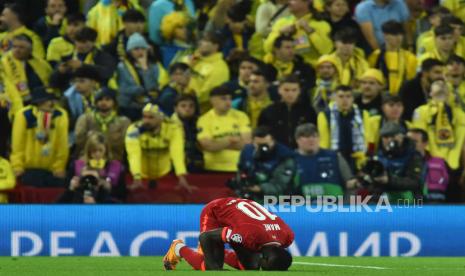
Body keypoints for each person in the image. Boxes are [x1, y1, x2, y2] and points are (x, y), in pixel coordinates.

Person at [163, 197, 294, 271]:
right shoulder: (248, 234)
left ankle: (214, 253)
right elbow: (206, 237)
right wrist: (213, 261)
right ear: (264, 257)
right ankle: (178, 248)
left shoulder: (287, 236)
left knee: (249, 267)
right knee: (212, 269)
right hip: (216, 211)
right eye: (266, 268)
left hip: (242, 219)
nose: (263, 271)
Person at [125, 103, 195, 192]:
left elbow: (177, 153)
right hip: (142, 173)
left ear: (160, 118)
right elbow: (133, 154)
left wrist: (181, 177)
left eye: (151, 117)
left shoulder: (173, 128)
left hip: (165, 172)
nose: (146, 121)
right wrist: (137, 177)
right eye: (144, 117)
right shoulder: (133, 130)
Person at [10, 87, 69, 187]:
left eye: (53, 99)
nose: (52, 103)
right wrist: (17, 166)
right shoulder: (23, 115)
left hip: (51, 171)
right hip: (27, 170)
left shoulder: (61, 115)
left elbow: (62, 145)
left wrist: (59, 167)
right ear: (38, 102)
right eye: (48, 100)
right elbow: (17, 145)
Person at [361, 122, 424, 203]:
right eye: (385, 137)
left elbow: (415, 182)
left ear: (401, 137)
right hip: (383, 199)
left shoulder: (413, 155)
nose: (389, 140)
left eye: (393, 136)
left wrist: (389, 180)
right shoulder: (378, 156)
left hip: (407, 199)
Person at [230, 126, 296, 202]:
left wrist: (258, 188)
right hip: (250, 197)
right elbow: (241, 171)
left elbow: (280, 185)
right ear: (253, 142)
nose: (263, 148)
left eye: (265, 145)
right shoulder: (247, 151)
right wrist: (240, 183)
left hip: (277, 201)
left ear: (273, 141)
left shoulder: (285, 156)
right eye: (258, 145)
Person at [411, 79, 465, 170]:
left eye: (443, 84)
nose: (441, 84)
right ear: (430, 93)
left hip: (454, 164)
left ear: (449, 93)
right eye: (437, 83)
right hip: (429, 163)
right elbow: (418, 138)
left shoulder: (458, 114)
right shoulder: (421, 111)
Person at [197, 85, 252, 172]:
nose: (228, 102)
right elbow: (208, 146)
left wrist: (219, 142)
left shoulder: (241, 116)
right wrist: (231, 140)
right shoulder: (204, 120)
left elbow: (247, 144)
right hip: (213, 168)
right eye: (223, 99)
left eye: (230, 99)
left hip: (238, 167)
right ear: (213, 100)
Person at [294, 123, 357, 197]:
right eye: (307, 137)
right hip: (301, 206)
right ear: (297, 140)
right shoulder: (290, 160)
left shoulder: (334, 157)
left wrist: (345, 205)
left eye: (314, 136)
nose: (311, 140)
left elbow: (350, 183)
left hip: (335, 205)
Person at [116, 32, 169, 121]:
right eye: (136, 49)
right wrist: (140, 90)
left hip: (151, 104)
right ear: (130, 51)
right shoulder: (122, 67)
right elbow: (123, 90)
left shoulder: (155, 66)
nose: (140, 52)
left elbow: (152, 87)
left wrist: (145, 69)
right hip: (131, 105)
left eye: (143, 48)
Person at [264, 0, 333, 66]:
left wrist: (310, 31)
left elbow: (326, 51)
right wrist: (279, 33)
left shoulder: (321, 24)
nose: (288, 1)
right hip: (281, 70)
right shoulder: (281, 23)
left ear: (307, 2)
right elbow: (267, 49)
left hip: (311, 70)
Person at [317, 85, 370, 171]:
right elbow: (324, 142)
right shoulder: (325, 116)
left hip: (358, 161)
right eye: (341, 96)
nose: (345, 100)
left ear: (353, 98)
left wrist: (367, 156)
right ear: (334, 98)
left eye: (348, 96)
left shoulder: (363, 115)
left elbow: (369, 139)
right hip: (335, 160)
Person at [49, 27, 117, 92]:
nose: (80, 45)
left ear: (93, 42)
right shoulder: (68, 58)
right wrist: (59, 72)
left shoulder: (103, 56)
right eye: (77, 41)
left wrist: (83, 66)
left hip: (97, 94)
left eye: (84, 42)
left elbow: (108, 73)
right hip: (72, 95)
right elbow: (53, 83)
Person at [258, 74, 317, 148]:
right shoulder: (268, 112)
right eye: (286, 90)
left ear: (299, 91)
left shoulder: (308, 111)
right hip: (276, 153)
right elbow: (262, 135)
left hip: (302, 153)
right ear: (279, 90)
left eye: (294, 90)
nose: (290, 94)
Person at [1, 34, 53, 117]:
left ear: (30, 49)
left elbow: (50, 82)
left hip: (39, 104)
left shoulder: (42, 64)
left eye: (21, 47)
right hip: (12, 106)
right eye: (14, 46)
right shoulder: (3, 63)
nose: (17, 50)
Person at [74, 88, 131, 161]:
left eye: (107, 99)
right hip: (88, 159)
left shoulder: (123, 122)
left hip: (114, 160)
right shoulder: (85, 119)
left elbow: (125, 145)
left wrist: (93, 137)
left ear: (114, 102)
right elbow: (79, 142)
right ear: (96, 102)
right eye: (100, 100)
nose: (103, 102)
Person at [368, 20, 417, 95]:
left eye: (400, 34)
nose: (399, 38)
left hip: (402, 96)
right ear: (385, 35)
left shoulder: (410, 57)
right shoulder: (376, 56)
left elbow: (412, 81)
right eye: (394, 35)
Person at [185, 32, 230, 113]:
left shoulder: (219, 68)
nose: (200, 43)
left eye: (205, 41)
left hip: (200, 111)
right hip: (184, 103)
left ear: (216, 46)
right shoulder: (194, 60)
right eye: (201, 40)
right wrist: (189, 66)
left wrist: (188, 96)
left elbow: (208, 95)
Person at [407, 128, 449, 203]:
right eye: (407, 141)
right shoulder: (399, 163)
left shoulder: (440, 163)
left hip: (437, 208)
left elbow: (451, 188)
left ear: (425, 143)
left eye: (414, 142)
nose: (410, 144)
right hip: (408, 207)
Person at [62, 65, 102, 136]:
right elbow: (64, 122)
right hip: (74, 134)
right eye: (75, 81)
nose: (77, 85)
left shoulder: (102, 96)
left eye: (82, 81)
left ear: (93, 82)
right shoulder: (67, 98)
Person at [172, 94, 203, 172]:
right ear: (176, 109)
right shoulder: (168, 125)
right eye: (183, 106)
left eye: (191, 106)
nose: (187, 109)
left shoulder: (202, 122)